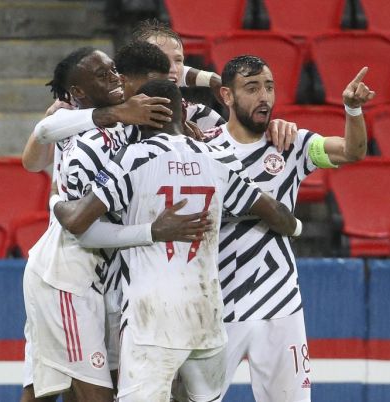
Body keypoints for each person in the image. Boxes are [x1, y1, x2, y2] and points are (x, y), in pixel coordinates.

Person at [52, 79, 303, 402]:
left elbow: (76, 221)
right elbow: (273, 211)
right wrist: (296, 228)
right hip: (207, 316)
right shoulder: (214, 160)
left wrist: (55, 198)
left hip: (153, 318)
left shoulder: (134, 158)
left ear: (150, 111)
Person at [21, 46, 210, 402]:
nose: (115, 79)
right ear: (77, 91)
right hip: (66, 276)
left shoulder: (132, 131)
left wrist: (180, 132)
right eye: (104, 75)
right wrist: (152, 232)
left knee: (44, 391)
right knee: (95, 394)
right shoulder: (86, 138)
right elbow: (78, 225)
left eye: (115, 71)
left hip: (103, 280)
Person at [204, 55, 373, 402]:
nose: (264, 96)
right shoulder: (203, 149)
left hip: (279, 302)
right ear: (227, 96)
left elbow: (352, 152)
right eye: (252, 88)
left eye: (269, 87)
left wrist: (352, 111)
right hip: (216, 302)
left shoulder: (292, 144)